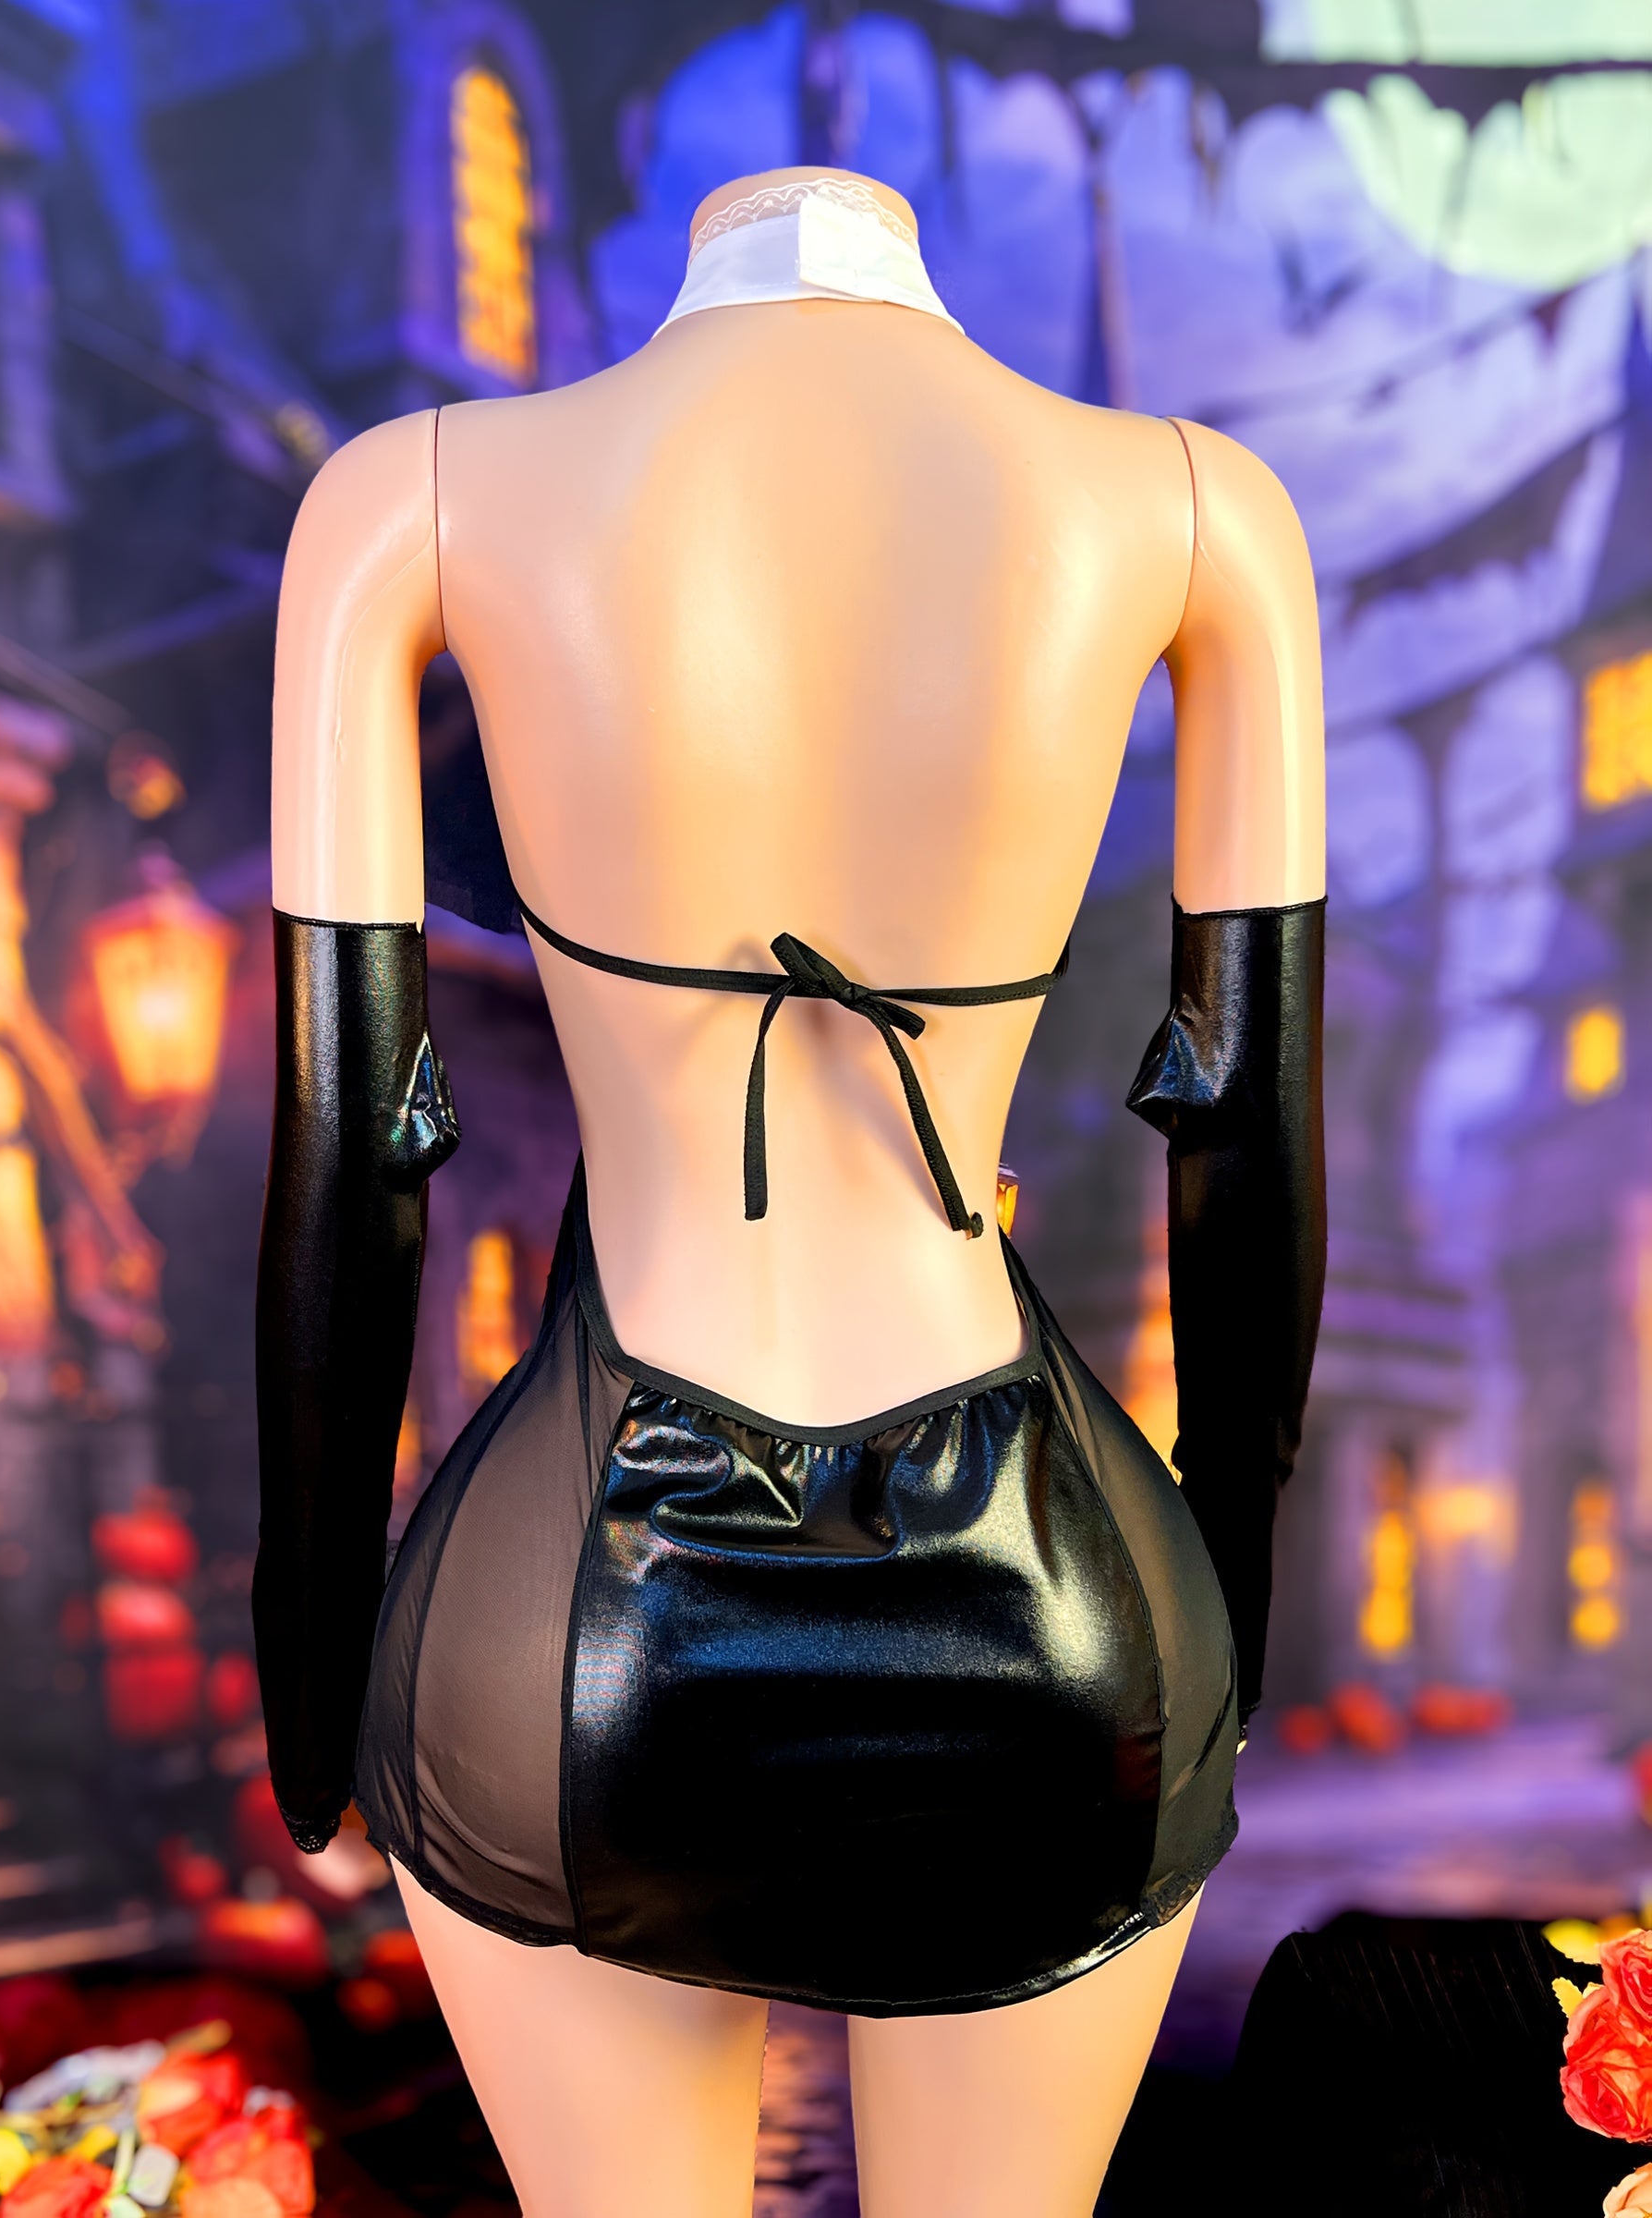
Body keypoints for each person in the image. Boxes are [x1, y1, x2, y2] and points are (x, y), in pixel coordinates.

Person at [256, 167, 1325, 2216]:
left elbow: (348, 1147)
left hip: (567, 1643)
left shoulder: (414, 497)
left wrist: (309, 1667)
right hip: (1065, 1632)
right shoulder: (1199, 508)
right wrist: (1235, 1638)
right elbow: (1253, 1136)